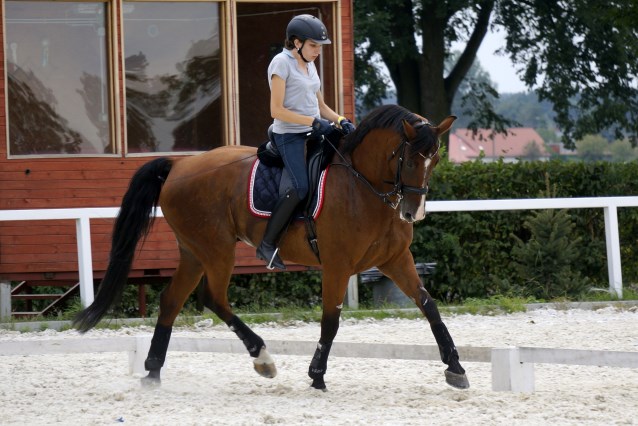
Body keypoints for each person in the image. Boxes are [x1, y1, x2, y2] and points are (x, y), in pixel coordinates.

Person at [256, 14, 355, 270]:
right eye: (314, 46)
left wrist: (341, 120)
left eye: (320, 47)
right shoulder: (281, 64)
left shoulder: (309, 64)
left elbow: (320, 106)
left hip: (312, 131)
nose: (318, 52)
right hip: (288, 135)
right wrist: (311, 122)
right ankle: (267, 244)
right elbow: (276, 110)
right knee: (299, 187)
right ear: (296, 42)